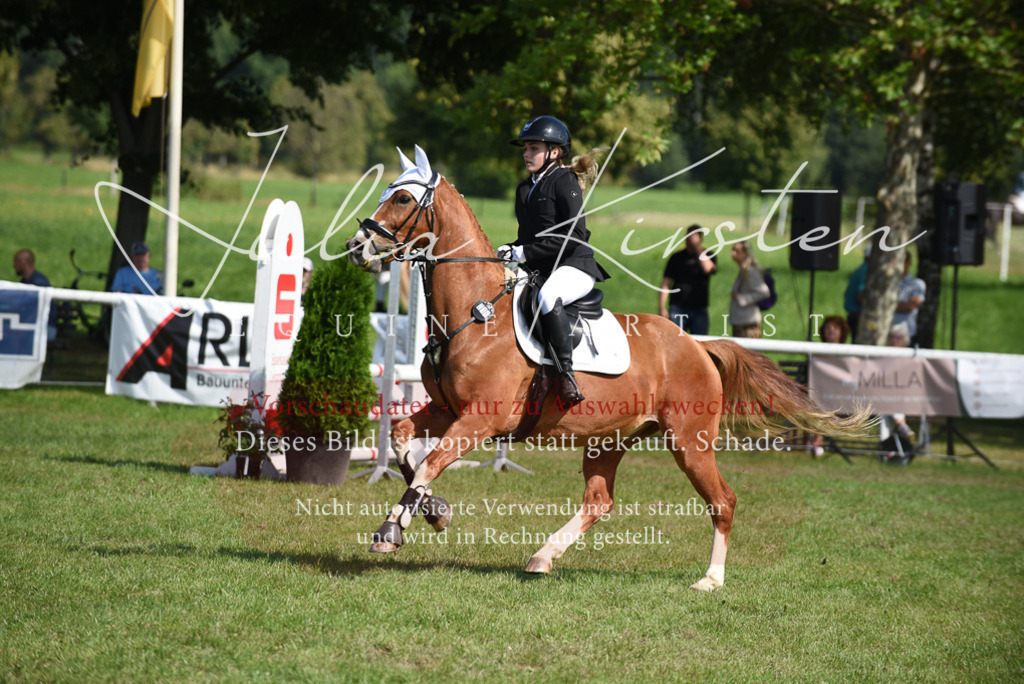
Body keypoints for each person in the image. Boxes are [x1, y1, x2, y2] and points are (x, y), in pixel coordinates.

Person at [500, 115, 610, 408]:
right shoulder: (524, 189)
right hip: (540, 268)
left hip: (575, 265)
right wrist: (509, 249)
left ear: (554, 152)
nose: (526, 153)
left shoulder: (565, 181)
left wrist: (524, 253)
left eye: (533, 147)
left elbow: (574, 235)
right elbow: (527, 238)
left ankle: (565, 375)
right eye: (525, 148)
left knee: (549, 297)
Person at [658, 225, 717, 334]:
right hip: (678, 307)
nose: (690, 239)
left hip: (699, 308)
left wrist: (697, 248)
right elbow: (666, 283)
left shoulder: (708, 255)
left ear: (701, 238)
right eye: (689, 235)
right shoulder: (676, 257)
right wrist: (662, 307)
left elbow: (708, 269)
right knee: (676, 341)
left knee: (701, 343)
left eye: (694, 236)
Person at [728, 240, 770, 338]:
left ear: (745, 253)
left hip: (748, 326)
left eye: (736, 250)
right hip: (742, 323)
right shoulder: (744, 270)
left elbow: (764, 292)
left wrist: (741, 298)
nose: (732, 253)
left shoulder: (750, 271)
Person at [13, 249, 57, 340]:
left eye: (15, 262)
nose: (13, 266)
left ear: (22, 263)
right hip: (30, 325)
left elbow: (38, 311)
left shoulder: (40, 283)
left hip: (45, 327)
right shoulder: (24, 282)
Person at [892, 251, 925, 347]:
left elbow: (911, 306)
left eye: (903, 260)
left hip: (907, 333)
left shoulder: (917, 284)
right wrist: (902, 305)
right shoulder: (886, 283)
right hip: (886, 332)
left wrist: (889, 305)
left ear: (909, 263)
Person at [843, 245, 870, 340]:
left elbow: (846, 293)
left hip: (852, 316)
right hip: (859, 318)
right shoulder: (867, 271)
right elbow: (860, 296)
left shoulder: (858, 270)